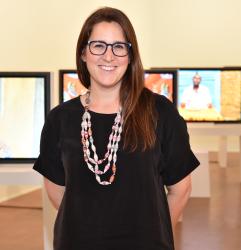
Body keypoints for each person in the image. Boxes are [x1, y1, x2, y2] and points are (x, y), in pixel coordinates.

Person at [33, 7, 200, 250]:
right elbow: (58, 191)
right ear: (83, 53)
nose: (108, 57)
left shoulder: (160, 112)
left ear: (130, 55)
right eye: (98, 45)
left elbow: (180, 189)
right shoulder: (60, 119)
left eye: (119, 47)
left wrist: (153, 235)